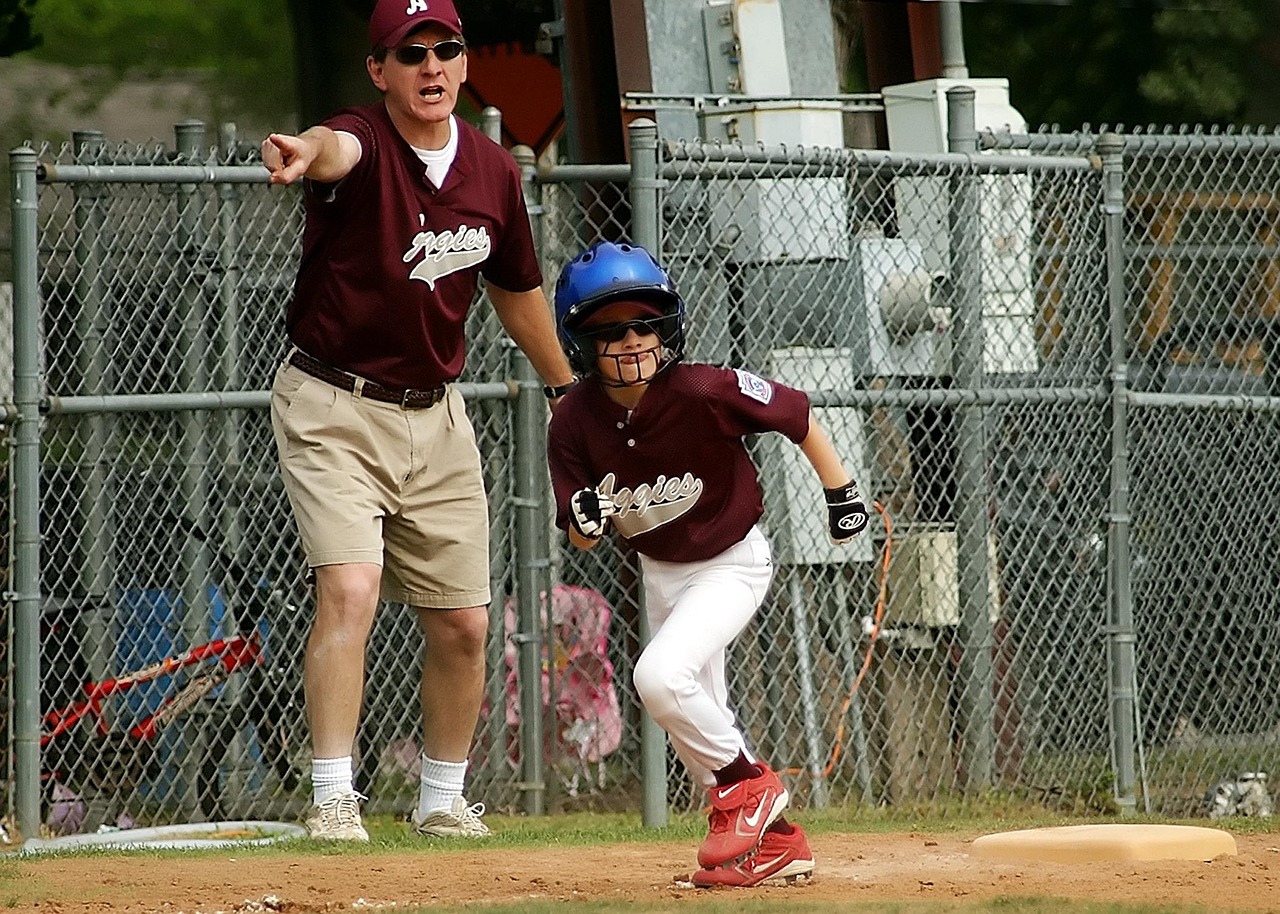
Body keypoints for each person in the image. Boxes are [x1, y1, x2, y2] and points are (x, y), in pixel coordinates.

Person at [260, 0, 577, 841]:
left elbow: (516, 291)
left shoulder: (492, 170)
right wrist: (304, 151)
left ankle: (440, 799)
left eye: (445, 50)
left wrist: (564, 392)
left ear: (465, 64)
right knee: (351, 588)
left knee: (466, 624)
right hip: (334, 403)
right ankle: (334, 796)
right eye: (409, 55)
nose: (430, 68)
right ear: (379, 71)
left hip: (435, 417)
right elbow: (336, 148)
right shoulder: (361, 142)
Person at [546, 240, 871, 887]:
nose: (633, 339)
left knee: (660, 678)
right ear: (582, 345)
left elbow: (795, 413)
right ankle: (780, 845)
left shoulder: (700, 388)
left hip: (732, 561)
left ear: (668, 329)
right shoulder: (574, 421)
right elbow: (581, 537)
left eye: (645, 324)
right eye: (611, 331)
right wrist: (585, 521)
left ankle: (753, 788)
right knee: (698, 727)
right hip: (662, 572)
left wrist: (842, 494)